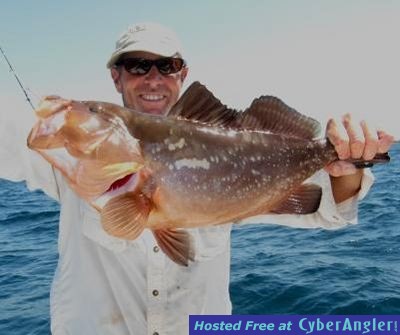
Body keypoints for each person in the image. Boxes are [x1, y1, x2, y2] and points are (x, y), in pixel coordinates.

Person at [0, 22, 394, 335]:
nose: (152, 77)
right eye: (137, 65)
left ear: (182, 74)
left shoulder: (231, 154)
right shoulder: (68, 156)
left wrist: (346, 162)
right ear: (116, 77)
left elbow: (327, 208)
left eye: (166, 66)